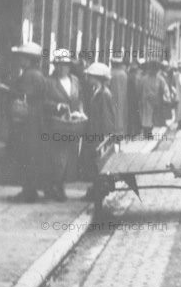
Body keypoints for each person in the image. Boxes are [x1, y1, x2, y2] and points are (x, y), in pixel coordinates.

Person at [7, 42, 48, 202]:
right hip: (35, 120)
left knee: (27, 155)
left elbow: (25, 94)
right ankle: (29, 190)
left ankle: (28, 192)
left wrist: (10, 91)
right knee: (31, 155)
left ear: (29, 59)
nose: (19, 60)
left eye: (22, 57)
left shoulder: (30, 75)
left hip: (28, 122)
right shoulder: (36, 74)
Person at [44, 48, 84, 202]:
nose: (63, 68)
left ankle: (59, 185)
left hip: (73, 124)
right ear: (55, 66)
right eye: (59, 65)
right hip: (56, 124)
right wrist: (58, 107)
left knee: (69, 156)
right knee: (58, 156)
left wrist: (80, 111)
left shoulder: (75, 80)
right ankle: (56, 187)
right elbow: (45, 101)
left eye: (66, 65)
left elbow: (79, 98)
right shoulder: (49, 81)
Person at [81, 63, 115, 210]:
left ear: (97, 78)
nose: (88, 79)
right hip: (93, 132)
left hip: (98, 134)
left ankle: (97, 191)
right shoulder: (98, 91)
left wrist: (105, 137)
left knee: (97, 163)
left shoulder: (103, 94)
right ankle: (95, 189)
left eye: (90, 76)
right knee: (92, 163)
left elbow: (107, 117)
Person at [136, 60, 171, 138]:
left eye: (154, 70)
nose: (153, 71)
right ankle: (147, 133)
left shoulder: (159, 79)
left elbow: (165, 88)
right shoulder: (144, 79)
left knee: (151, 118)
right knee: (146, 118)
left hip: (154, 101)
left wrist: (167, 97)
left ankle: (148, 132)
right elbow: (139, 89)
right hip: (145, 101)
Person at [109, 55, 128, 136]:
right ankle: (120, 133)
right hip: (122, 99)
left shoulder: (110, 73)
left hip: (111, 98)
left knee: (112, 115)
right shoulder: (123, 74)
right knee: (121, 116)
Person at [127, 61, 143, 136]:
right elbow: (138, 89)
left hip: (130, 99)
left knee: (131, 116)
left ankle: (132, 131)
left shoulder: (129, 77)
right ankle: (136, 131)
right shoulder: (137, 77)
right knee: (135, 115)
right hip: (135, 99)